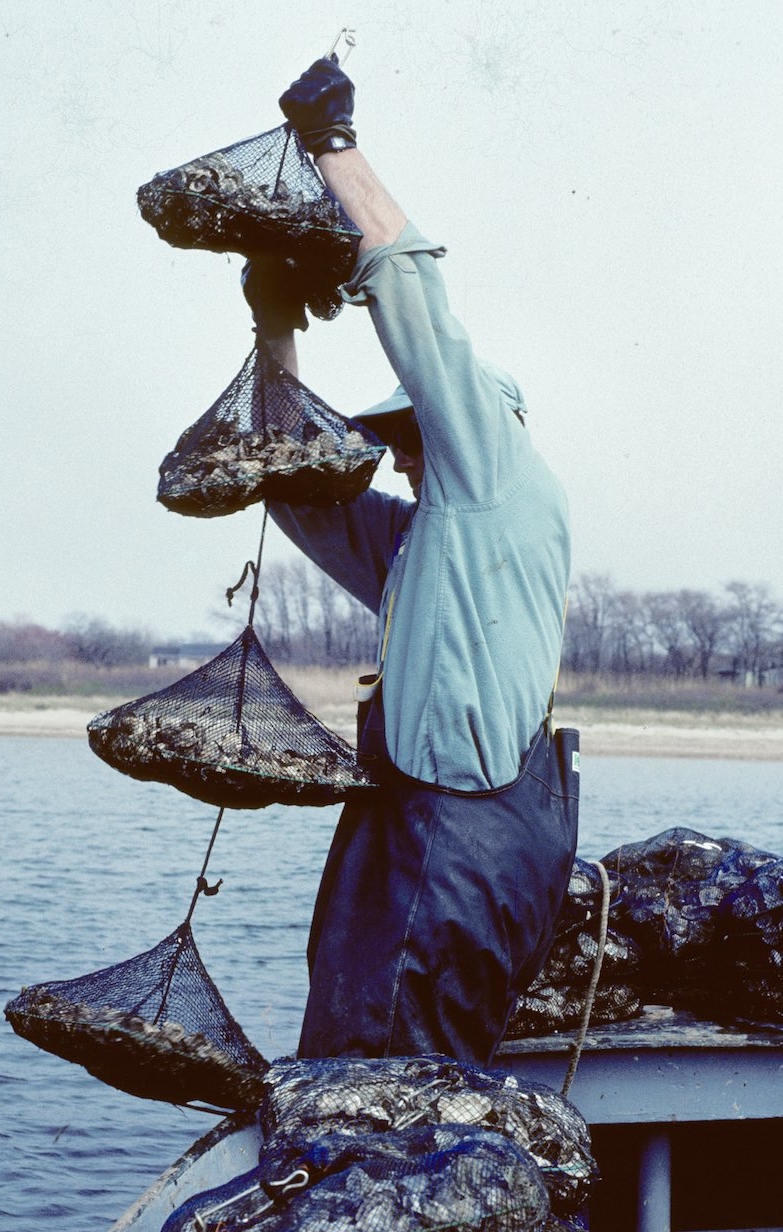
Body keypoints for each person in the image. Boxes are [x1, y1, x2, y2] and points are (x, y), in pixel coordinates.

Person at [244, 56, 579, 1067]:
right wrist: (270, 328)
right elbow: (296, 487)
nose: (396, 447)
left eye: (412, 426)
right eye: (389, 433)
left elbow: (419, 308)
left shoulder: (497, 477)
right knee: (352, 1059)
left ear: (486, 421)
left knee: (392, 1086)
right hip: (414, 832)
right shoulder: (431, 541)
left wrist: (335, 148)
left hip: (461, 843)